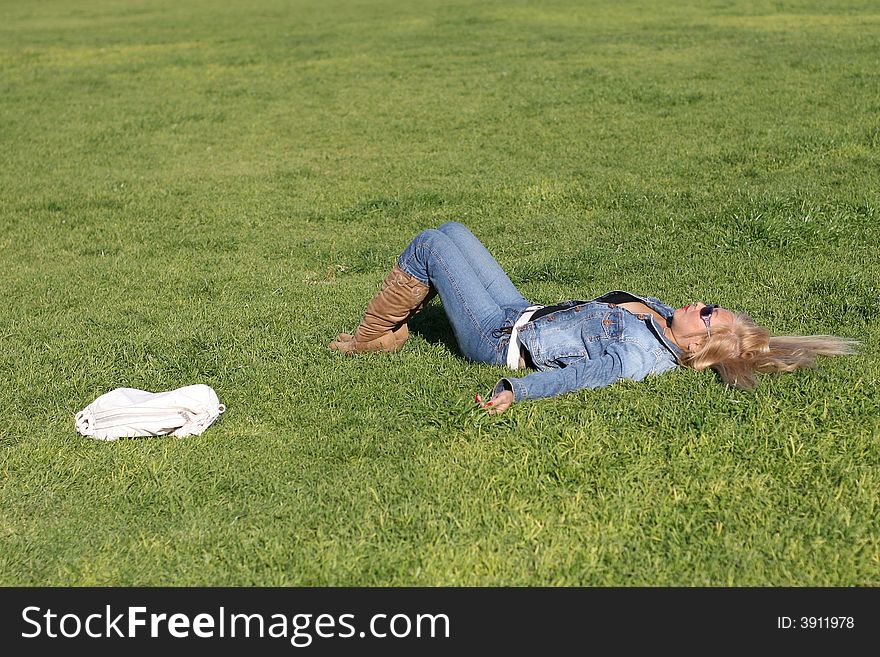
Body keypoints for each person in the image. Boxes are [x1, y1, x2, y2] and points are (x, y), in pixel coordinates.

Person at [329, 222, 857, 414]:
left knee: (430, 246)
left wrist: (518, 391)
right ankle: (396, 325)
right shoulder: (662, 318)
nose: (701, 304)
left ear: (695, 350)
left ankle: (373, 338)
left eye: (709, 314)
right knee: (453, 229)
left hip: (498, 336)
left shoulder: (639, 356)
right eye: (712, 306)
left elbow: (582, 375)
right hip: (522, 310)